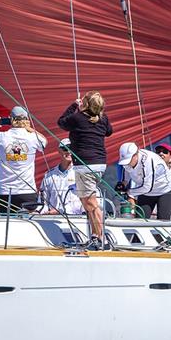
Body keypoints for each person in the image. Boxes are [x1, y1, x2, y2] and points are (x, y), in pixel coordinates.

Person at [57, 91, 113, 248]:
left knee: (91, 203)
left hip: (85, 165)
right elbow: (109, 131)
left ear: (86, 103)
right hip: (98, 164)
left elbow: (61, 122)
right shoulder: (103, 118)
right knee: (86, 202)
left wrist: (74, 105)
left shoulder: (78, 118)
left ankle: (102, 239)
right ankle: (95, 236)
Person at [0, 106, 46, 213]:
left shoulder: (0, 137)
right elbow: (44, 141)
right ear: (27, 120)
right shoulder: (33, 137)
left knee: (7, 227)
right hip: (27, 192)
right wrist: (29, 129)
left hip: (6, 193)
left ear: (10, 119)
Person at [116, 142, 171, 220]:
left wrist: (129, 192)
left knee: (163, 220)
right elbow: (127, 173)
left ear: (136, 155)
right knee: (140, 219)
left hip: (165, 189)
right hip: (146, 191)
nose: (127, 164)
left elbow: (148, 187)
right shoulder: (128, 162)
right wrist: (122, 184)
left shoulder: (148, 160)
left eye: (128, 161)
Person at [38, 138, 85, 215]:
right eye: (65, 149)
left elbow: (87, 200)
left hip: (76, 219)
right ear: (59, 151)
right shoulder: (49, 175)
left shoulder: (81, 173)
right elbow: (43, 201)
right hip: (52, 219)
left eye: (72, 149)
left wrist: (61, 210)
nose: (69, 152)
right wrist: (39, 212)